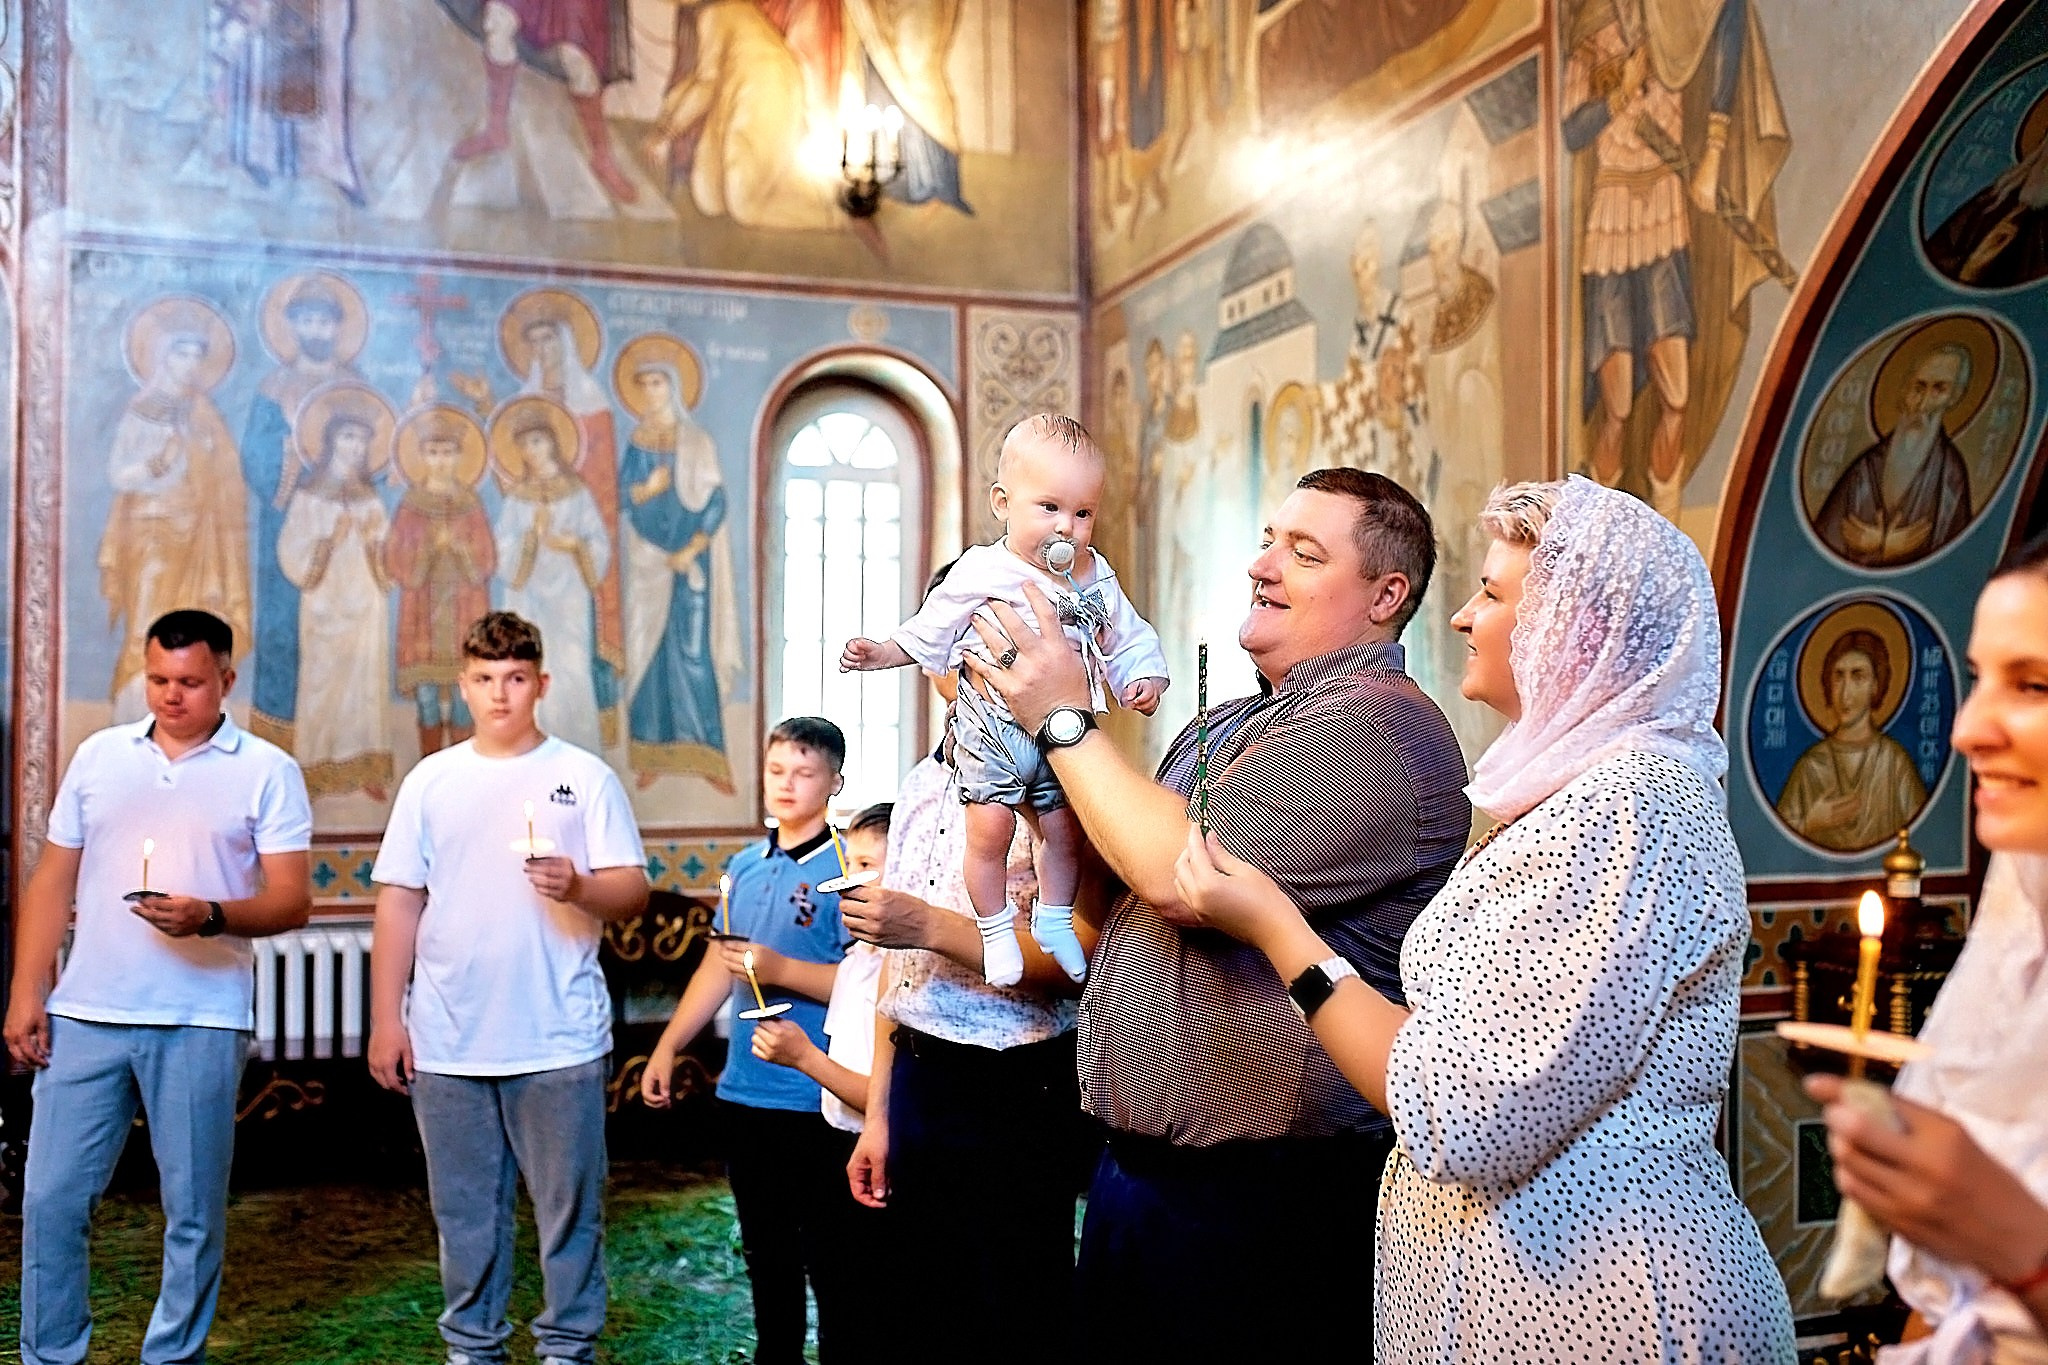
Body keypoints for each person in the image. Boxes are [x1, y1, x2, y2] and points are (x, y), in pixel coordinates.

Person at [1169, 475, 1797, 1362]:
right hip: (1525, 1290)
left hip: (1601, 1304)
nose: (1462, 617)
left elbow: (1461, 1113)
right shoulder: (1574, 796)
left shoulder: (1631, 808)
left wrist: (1278, 928)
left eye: (1495, 594)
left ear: (1573, 632)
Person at [967, 466, 1470, 1364]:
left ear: (1386, 594)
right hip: (1143, 1176)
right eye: (1270, 540)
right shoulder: (1224, 721)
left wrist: (1063, 721)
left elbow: (1177, 877)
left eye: (1303, 553)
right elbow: (1112, 898)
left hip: (1266, 1197)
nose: (1261, 566)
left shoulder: (1378, 728)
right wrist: (1042, 780)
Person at [7, 609, 314, 1365]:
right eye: (157, 680)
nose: (171, 695)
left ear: (226, 681)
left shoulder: (267, 769)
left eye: (189, 682)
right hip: (86, 1011)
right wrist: (24, 991)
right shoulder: (100, 756)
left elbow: (291, 900)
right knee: (50, 1200)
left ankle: (172, 1357)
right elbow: (52, 881)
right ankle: (51, 1353)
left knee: (192, 1212)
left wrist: (210, 915)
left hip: (202, 1017)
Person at [368, 610, 650, 1365]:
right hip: (449, 1034)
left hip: (557, 1035)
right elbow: (398, 900)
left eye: (516, 678)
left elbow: (631, 890)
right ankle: (473, 1346)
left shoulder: (584, 775)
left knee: (568, 1211)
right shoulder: (431, 780)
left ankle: (566, 1346)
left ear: (541, 683)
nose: (501, 694)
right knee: (464, 1213)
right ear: (464, 685)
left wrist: (579, 883)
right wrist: (384, 1022)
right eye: (486, 679)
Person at [1809, 530, 2048, 1360]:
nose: (1967, 730)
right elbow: (1941, 1306)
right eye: (1980, 679)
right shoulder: (2023, 936)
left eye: (2036, 685)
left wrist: (2019, 1246)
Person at [841, 414, 1169, 987]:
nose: (1067, 527)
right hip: (990, 724)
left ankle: (1056, 919)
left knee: (1062, 831)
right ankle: (994, 930)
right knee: (989, 833)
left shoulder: (1095, 576)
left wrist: (1142, 675)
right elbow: (932, 628)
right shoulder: (981, 569)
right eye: (1049, 509)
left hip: (1059, 730)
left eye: (1083, 513)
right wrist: (883, 653)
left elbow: (1127, 634)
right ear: (1003, 503)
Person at [642, 717, 868, 1365]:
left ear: (834, 782)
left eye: (804, 771)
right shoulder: (744, 867)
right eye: (777, 770)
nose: (787, 784)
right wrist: (669, 1044)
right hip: (747, 1090)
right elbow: (720, 963)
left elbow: (869, 985)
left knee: (830, 1254)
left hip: (820, 1094)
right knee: (765, 1251)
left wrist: (781, 969)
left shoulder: (849, 868)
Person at [618, 356, 741, 793]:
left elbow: (715, 500)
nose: (651, 391)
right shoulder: (637, 441)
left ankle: (708, 754)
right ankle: (651, 754)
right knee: (648, 655)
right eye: (644, 384)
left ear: (671, 388)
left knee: (692, 654)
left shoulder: (696, 440)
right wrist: (646, 489)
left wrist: (691, 549)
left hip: (690, 561)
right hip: (647, 562)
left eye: (657, 381)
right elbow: (624, 498)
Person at [276, 391, 395, 802]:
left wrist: (371, 545)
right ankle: (315, 769)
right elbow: (291, 550)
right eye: (347, 437)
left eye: (361, 440)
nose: (355, 447)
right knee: (322, 681)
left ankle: (368, 768)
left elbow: (388, 550)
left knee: (365, 684)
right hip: (325, 603)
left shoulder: (371, 498)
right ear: (330, 443)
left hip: (365, 603)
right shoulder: (309, 496)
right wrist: (329, 542)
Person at [750, 802, 892, 1134]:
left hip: (880, 1139)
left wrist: (804, 1057)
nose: (847, 879)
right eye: (848, 862)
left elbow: (887, 1099)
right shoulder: (857, 959)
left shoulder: (897, 967)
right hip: (839, 1131)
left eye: (865, 864)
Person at [492, 403, 611, 755]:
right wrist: (531, 537)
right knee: (524, 670)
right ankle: (526, 749)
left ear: (553, 445)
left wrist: (572, 544)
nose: (533, 451)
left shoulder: (577, 493)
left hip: (569, 596)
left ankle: (577, 752)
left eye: (539, 442)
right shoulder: (516, 498)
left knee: (570, 667)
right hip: (527, 599)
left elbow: (598, 542)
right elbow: (504, 552)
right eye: (526, 445)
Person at [386, 407, 496, 757]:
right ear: (421, 457)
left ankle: (463, 766)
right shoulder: (411, 505)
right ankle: (429, 766)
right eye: (433, 453)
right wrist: (430, 551)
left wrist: (461, 550)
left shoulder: (470, 503)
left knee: (465, 696)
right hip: (423, 617)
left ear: (459, 457)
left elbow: (486, 560)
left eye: (448, 453)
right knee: (428, 698)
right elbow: (395, 559)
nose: (441, 460)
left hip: (465, 610)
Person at [1812, 344, 1976, 568]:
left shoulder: (1951, 474)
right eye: (1918, 388)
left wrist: (1887, 549)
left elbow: (1954, 565)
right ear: (1904, 391)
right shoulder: (1865, 468)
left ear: (1954, 397)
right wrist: (1877, 547)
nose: (1923, 402)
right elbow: (1819, 548)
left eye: (1939, 389)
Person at [1774, 628, 1929, 852]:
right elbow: (1772, 842)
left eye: (1858, 676)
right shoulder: (1810, 766)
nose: (1845, 692)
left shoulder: (1894, 764)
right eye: (1838, 676)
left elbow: (1923, 837)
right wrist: (1811, 823)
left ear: (1876, 685)